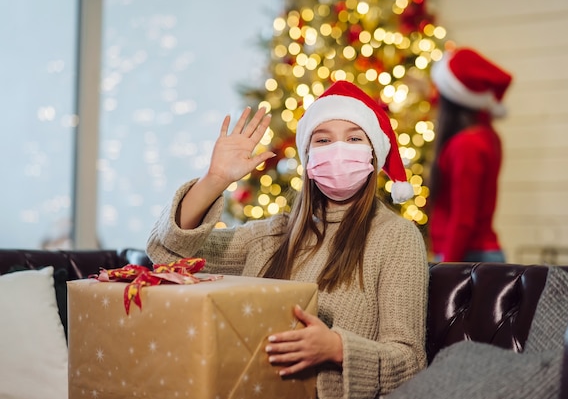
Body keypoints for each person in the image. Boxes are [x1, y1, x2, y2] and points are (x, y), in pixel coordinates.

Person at [146, 80, 429, 399]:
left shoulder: (396, 237)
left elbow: (410, 362)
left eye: (353, 138)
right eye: (323, 139)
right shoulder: (273, 233)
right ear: (308, 160)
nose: (337, 150)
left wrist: (337, 348)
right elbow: (170, 256)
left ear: (374, 155)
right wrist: (214, 181)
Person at [427, 47, 513, 263]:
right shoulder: (486, 136)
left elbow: (464, 219)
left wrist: (447, 268)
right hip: (477, 255)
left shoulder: (466, 144)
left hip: (469, 258)